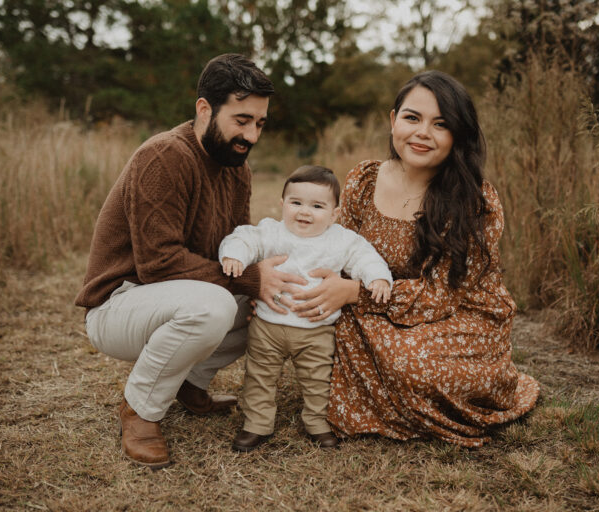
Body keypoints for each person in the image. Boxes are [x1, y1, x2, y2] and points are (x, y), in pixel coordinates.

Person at [74, 54, 307, 469]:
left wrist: (275, 272)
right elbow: (157, 264)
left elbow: (236, 249)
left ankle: (188, 383)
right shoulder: (164, 157)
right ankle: (140, 410)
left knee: (269, 301)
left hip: (174, 297)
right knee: (216, 305)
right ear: (205, 109)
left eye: (260, 123)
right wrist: (251, 280)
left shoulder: (237, 168)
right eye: (241, 120)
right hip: (119, 304)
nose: (251, 135)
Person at [287, 71, 540, 446]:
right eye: (412, 118)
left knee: (410, 364)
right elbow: (338, 250)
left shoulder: (474, 200)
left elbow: (441, 296)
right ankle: (369, 387)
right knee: (317, 330)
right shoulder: (363, 180)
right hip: (371, 305)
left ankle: (423, 389)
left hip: (455, 315)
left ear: (458, 135)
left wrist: (354, 294)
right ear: (393, 121)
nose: (423, 133)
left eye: (441, 124)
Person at [218, 165, 393, 452]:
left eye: (317, 206)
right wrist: (235, 255)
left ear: (335, 213)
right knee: (259, 377)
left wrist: (377, 277)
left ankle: (318, 423)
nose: (304, 212)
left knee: (318, 380)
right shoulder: (272, 232)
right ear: (283, 204)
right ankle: (257, 424)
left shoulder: (341, 239)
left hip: (316, 330)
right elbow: (243, 238)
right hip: (268, 326)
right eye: (295, 202)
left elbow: (365, 256)